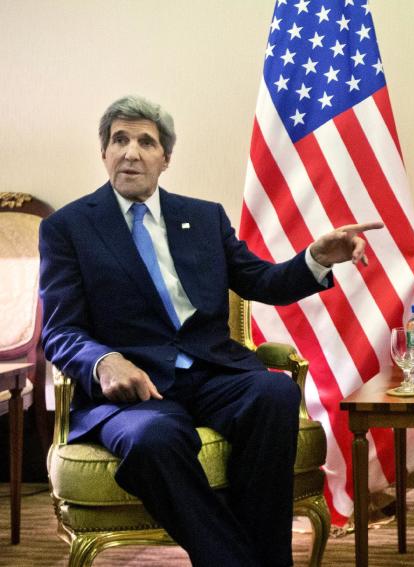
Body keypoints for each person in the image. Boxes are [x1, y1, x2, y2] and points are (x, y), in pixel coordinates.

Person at [39, 95, 382, 566]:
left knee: (273, 394)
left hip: (214, 372)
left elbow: (261, 281)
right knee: (152, 441)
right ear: (104, 153)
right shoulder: (68, 228)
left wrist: (316, 258)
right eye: (119, 140)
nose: (131, 152)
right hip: (137, 389)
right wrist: (104, 361)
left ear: (166, 159)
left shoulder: (203, 218)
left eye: (145, 141)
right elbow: (60, 330)